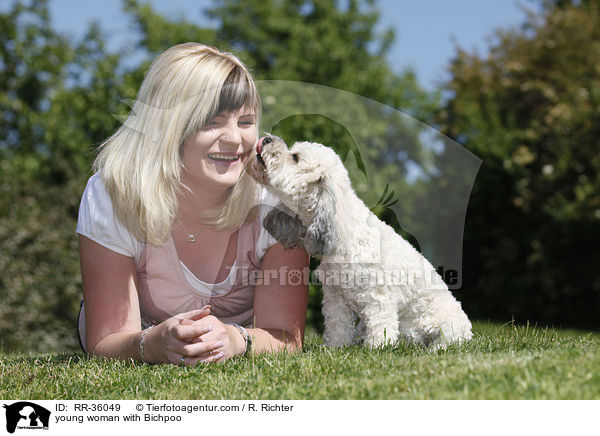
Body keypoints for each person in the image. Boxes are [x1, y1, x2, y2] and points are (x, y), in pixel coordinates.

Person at [76, 43, 309, 365]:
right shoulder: (112, 193)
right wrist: (152, 344)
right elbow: (105, 341)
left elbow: (284, 335)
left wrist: (236, 339)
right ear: (168, 127)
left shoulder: (280, 201)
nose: (234, 139)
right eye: (212, 122)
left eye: (245, 121)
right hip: (138, 334)